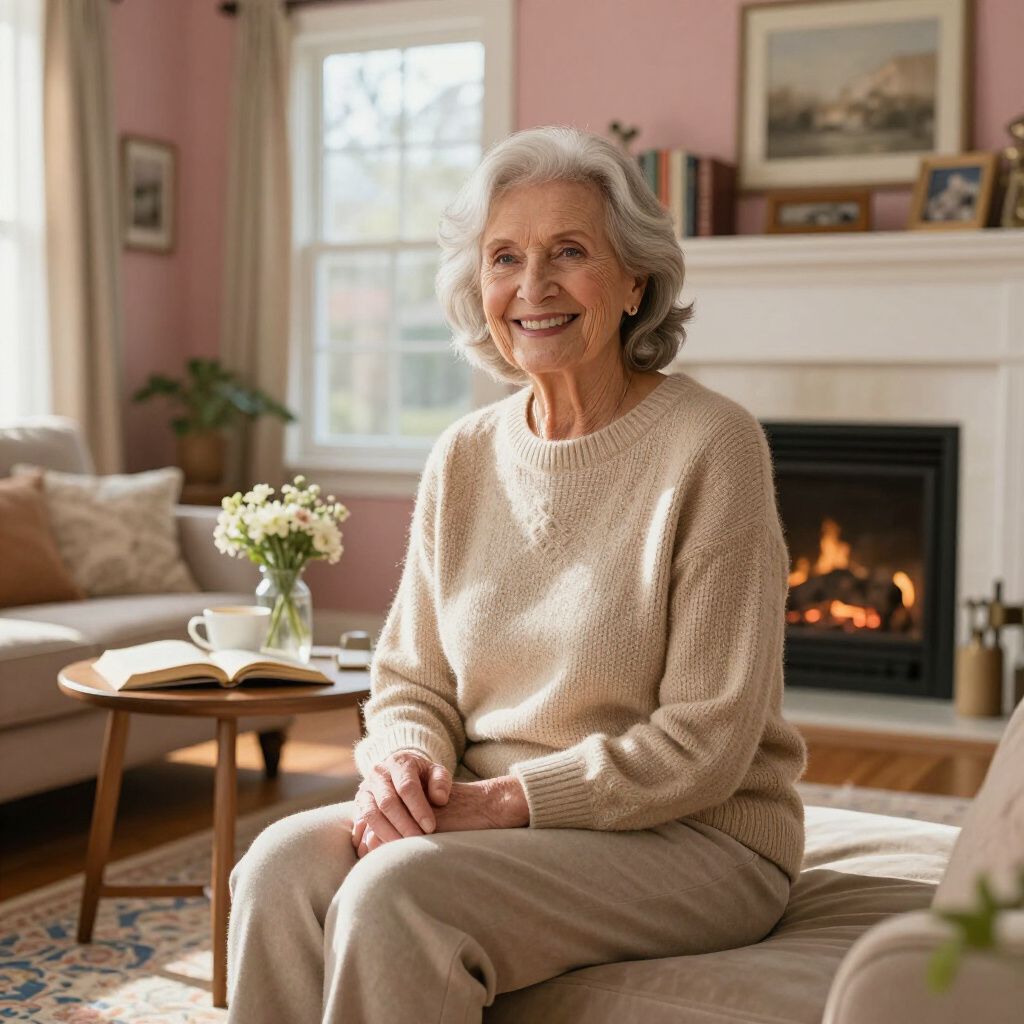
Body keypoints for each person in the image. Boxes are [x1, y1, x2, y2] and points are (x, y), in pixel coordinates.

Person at [226, 125, 808, 1024]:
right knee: (273, 869)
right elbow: (410, 679)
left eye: (568, 252)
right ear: (479, 287)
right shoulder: (462, 456)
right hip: (482, 808)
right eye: (505, 257)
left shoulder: (711, 446)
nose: (531, 287)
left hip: (694, 837)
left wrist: (502, 803)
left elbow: (707, 742)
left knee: (399, 896)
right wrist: (405, 767)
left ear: (634, 282)